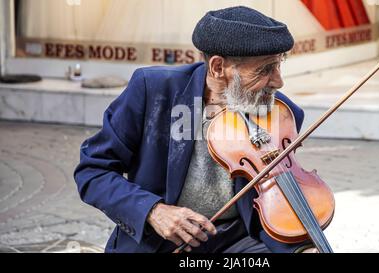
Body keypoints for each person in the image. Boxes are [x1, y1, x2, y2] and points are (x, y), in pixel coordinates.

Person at [74, 6, 317, 253]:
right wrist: (153, 211)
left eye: (278, 65)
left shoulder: (281, 112)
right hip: (161, 242)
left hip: (239, 241)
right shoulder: (152, 90)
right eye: (265, 69)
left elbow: (275, 200)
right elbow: (93, 171)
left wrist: (301, 248)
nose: (278, 81)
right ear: (218, 67)